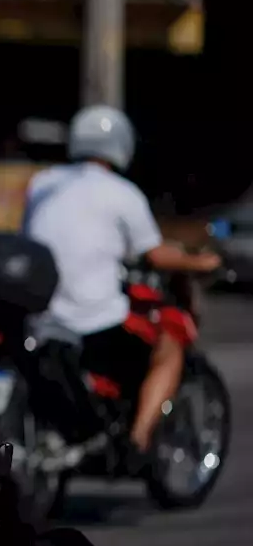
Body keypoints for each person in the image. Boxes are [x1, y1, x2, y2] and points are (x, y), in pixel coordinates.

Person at [20, 105, 220, 470]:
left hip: (36, 312)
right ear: (121, 145)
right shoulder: (122, 193)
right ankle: (139, 439)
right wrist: (201, 262)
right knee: (169, 349)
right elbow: (155, 255)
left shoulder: (43, 184)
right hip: (88, 318)